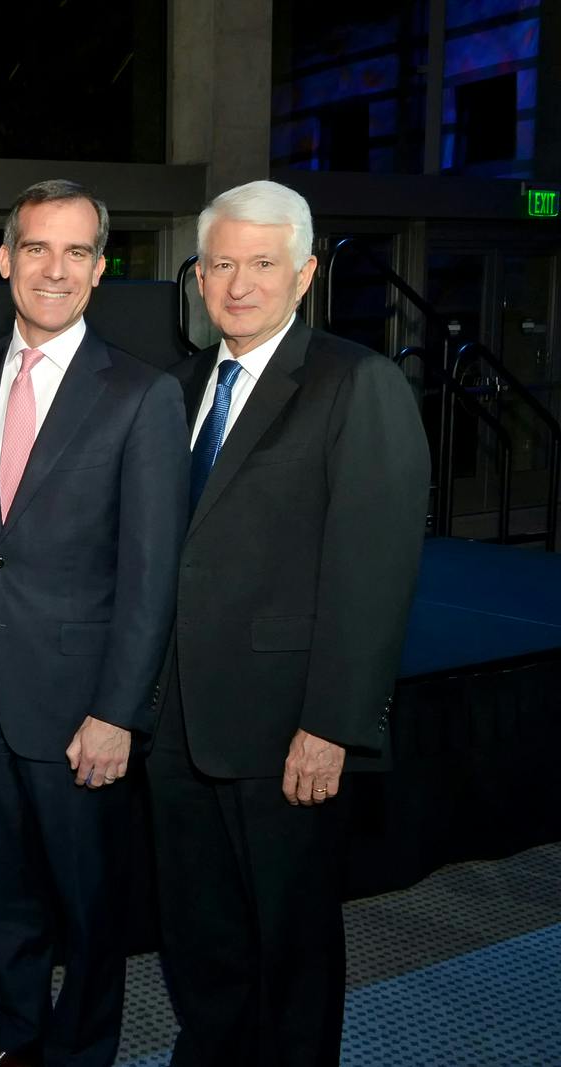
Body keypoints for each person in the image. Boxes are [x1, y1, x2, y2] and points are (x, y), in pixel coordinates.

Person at [149, 180, 430, 1067]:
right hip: (176, 725)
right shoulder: (182, 383)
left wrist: (333, 725)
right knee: (200, 937)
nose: (238, 284)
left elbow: (374, 572)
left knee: (293, 949)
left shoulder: (359, 383)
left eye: (261, 264)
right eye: (220, 264)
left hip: (288, 731)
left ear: (304, 274)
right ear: (197, 274)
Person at [0, 179, 189, 1067]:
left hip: (81, 707)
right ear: (4, 260)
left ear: (100, 269)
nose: (55, 268)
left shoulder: (142, 395)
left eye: (77, 251)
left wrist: (118, 711)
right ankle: (18, 1033)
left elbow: (153, 575)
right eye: (37, 247)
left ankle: (82, 1052)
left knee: (88, 904)